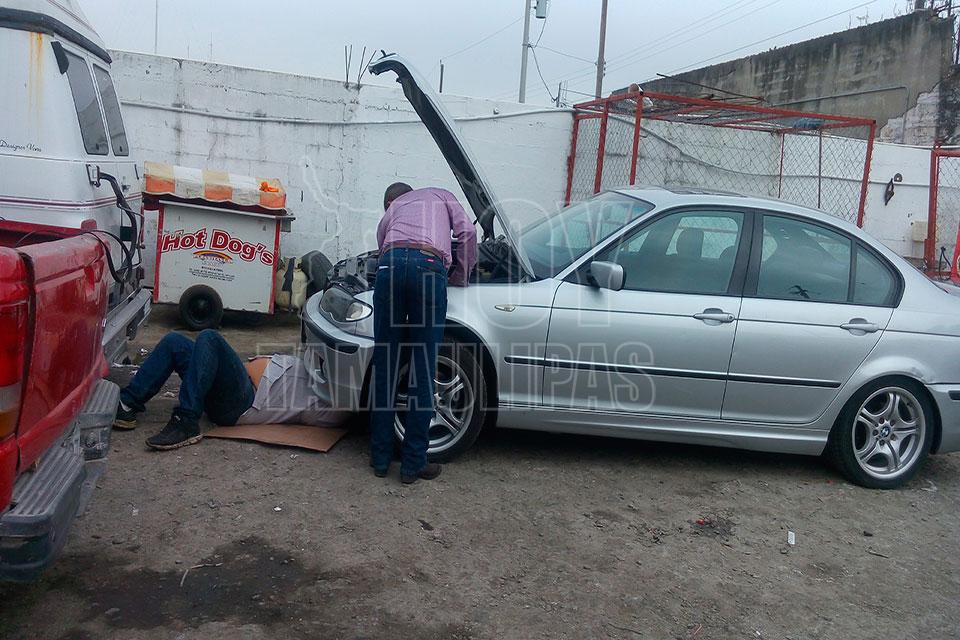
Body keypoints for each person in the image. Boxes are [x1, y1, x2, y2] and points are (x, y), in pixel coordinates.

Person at [370, 183, 477, 484]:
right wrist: (460, 274)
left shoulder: (394, 208)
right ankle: (412, 464)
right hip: (429, 267)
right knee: (423, 365)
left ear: (390, 200)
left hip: (389, 268)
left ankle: (380, 459)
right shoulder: (442, 195)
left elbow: (382, 244)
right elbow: (468, 232)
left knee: (385, 363)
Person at [114, 329, 345, 450]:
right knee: (174, 342)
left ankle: (186, 421)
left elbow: (332, 415)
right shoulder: (320, 366)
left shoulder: (337, 400)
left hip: (241, 402)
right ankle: (127, 403)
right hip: (231, 384)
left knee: (210, 338)